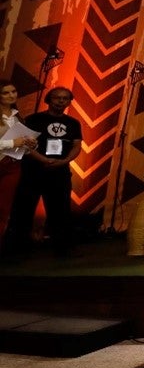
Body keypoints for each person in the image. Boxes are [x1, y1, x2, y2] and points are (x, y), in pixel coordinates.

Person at [5, 86, 83, 257]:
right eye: (57, 97)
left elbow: (77, 145)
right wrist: (43, 159)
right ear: (49, 99)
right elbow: (21, 144)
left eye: (65, 98)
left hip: (60, 172)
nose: (61, 101)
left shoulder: (73, 123)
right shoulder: (33, 119)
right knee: (23, 210)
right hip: (32, 172)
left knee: (60, 211)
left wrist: (64, 161)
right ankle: (16, 249)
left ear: (69, 101)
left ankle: (63, 248)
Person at [0, 81, 37, 252]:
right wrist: (13, 141)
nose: (11, 95)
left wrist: (29, 145)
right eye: (6, 93)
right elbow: (11, 142)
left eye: (13, 91)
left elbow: (21, 146)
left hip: (13, 164)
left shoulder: (16, 116)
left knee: (4, 207)